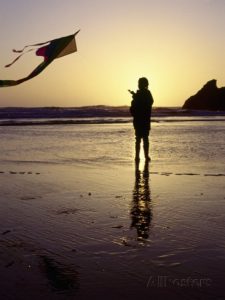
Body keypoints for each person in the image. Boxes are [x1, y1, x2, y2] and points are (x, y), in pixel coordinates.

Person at [129, 77, 154, 162]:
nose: (139, 85)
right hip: (142, 120)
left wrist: (136, 97)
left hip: (141, 120)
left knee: (140, 139)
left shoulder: (144, 94)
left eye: (140, 83)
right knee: (142, 139)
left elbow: (148, 103)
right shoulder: (143, 94)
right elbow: (133, 108)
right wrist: (135, 98)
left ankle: (142, 156)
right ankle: (140, 156)